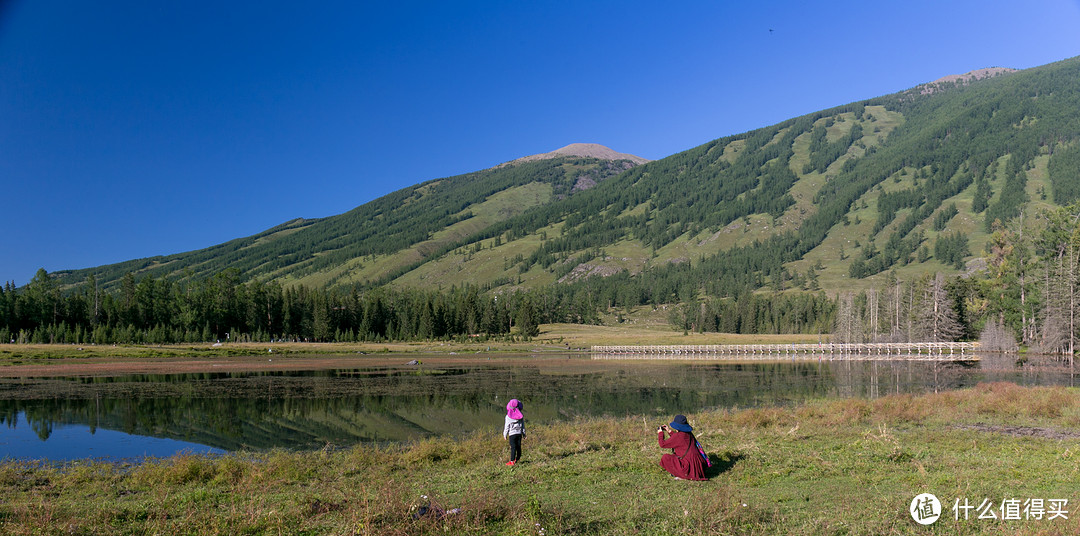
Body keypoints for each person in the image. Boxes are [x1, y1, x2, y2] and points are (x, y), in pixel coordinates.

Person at [656, 414, 707, 480]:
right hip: (698, 467)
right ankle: (685, 473)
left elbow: (662, 444)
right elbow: (678, 440)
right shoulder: (689, 434)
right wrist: (669, 431)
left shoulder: (679, 436)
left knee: (666, 458)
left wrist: (660, 433)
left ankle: (684, 475)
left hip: (689, 466)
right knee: (674, 456)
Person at [503, 399, 526, 466]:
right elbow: (523, 426)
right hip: (519, 433)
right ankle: (518, 458)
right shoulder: (520, 416)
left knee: (513, 447)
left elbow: (506, 426)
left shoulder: (507, 417)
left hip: (512, 434)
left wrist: (505, 434)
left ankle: (512, 461)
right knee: (518, 446)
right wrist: (524, 433)